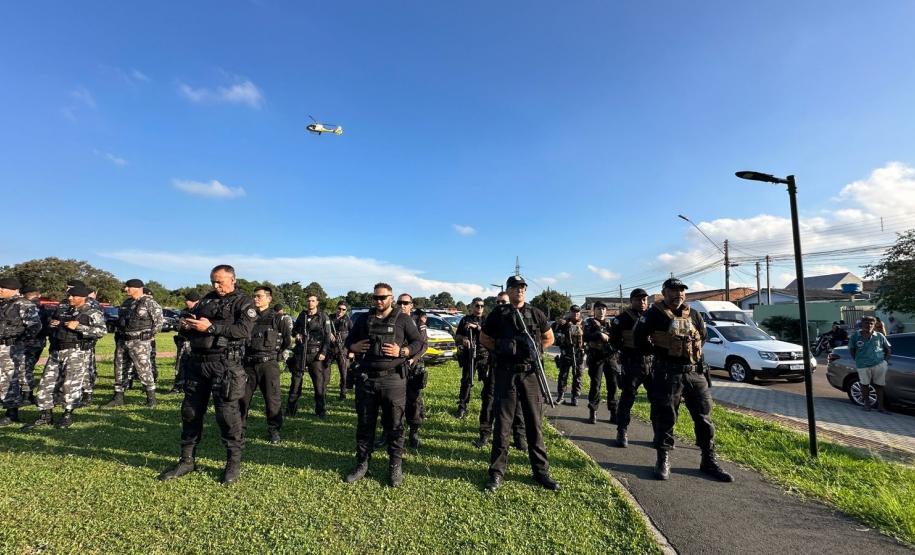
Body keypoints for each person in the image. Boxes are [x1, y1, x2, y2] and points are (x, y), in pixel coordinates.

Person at [158, 265, 256, 485]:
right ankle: (187, 460)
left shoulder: (243, 301)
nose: (216, 286)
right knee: (190, 412)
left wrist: (211, 328)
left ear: (233, 279)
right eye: (213, 281)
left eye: (220, 281)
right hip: (198, 363)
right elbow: (194, 326)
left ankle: (233, 463)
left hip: (225, 364)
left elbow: (243, 331)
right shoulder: (206, 300)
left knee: (227, 415)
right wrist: (186, 325)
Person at [634, 277, 732, 482]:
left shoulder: (694, 314)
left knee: (704, 418)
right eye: (673, 290)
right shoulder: (653, 314)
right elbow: (638, 339)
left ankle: (708, 460)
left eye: (681, 290)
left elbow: (702, 337)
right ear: (664, 292)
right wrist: (658, 353)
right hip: (667, 373)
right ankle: (663, 459)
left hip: (694, 374)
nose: (678, 293)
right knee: (666, 417)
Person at [480, 275, 558, 492]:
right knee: (503, 426)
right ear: (509, 290)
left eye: (523, 287)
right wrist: (503, 348)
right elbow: (484, 338)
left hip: (530, 375)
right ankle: (496, 474)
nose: (520, 291)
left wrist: (535, 351)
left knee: (534, 424)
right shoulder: (499, 313)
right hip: (506, 373)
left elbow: (549, 337)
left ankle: (541, 472)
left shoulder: (536, 313)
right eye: (515, 287)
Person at [343, 283, 423, 487]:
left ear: (391, 297)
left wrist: (403, 352)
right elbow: (348, 342)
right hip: (367, 379)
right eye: (376, 298)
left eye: (383, 297)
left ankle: (395, 467)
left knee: (395, 425)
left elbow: (418, 343)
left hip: (393, 380)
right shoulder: (363, 319)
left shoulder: (403, 319)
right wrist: (354, 346)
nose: (379, 301)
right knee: (365, 424)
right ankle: (362, 464)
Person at [24, 285, 105, 429]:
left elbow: (101, 331)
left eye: (73, 296)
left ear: (82, 297)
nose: (69, 298)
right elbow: (54, 325)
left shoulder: (93, 312)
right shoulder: (65, 311)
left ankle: (67, 415)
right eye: (69, 296)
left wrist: (79, 327)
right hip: (57, 351)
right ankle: (45, 415)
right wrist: (54, 325)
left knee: (70, 384)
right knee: (46, 382)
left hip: (76, 352)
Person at [473, 291, 527, 450]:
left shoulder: (520, 319)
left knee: (518, 404)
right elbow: (484, 339)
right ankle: (484, 434)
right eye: (497, 303)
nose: (500, 306)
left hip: (515, 368)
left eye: (503, 302)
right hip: (495, 365)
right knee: (489, 400)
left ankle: (519, 437)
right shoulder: (494, 319)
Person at [241, 286, 292, 443]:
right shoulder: (248, 318)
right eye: (254, 296)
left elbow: (287, 341)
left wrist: (275, 356)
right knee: (242, 398)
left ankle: (274, 430)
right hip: (248, 364)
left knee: (272, 399)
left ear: (269, 299)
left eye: (259, 296)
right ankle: (239, 429)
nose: (255, 299)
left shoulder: (278, 319)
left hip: (268, 364)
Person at [103, 279, 163, 408]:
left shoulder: (149, 303)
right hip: (123, 340)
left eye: (128, 287)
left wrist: (148, 336)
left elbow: (158, 323)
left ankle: (151, 398)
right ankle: (118, 397)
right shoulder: (127, 303)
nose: (126, 289)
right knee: (119, 368)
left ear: (138, 288)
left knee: (143, 368)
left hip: (140, 342)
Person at [610, 288, 653, 448]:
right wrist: (627, 350)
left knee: (657, 399)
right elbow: (614, 341)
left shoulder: (652, 316)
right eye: (638, 299)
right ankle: (622, 431)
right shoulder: (622, 319)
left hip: (652, 363)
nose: (642, 302)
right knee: (627, 398)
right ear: (631, 301)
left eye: (644, 299)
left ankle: (659, 433)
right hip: (632, 363)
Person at [0, 278, 42, 426]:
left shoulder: (24, 304)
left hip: (12, 347)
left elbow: (35, 326)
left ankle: (11, 413)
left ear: (12, 289)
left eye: (2, 288)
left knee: (9, 379)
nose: (0, 290)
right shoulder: (4, 304)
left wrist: (20, 341)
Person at [288, 295, 333, 418]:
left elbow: (327, 336)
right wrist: (297, 334)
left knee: (318, 384)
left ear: (317, 302)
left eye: (313, 300)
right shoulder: (302, 315)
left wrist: (323, 352)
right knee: (295, 382)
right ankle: (290, 409)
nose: (310, 303)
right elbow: (294, 330)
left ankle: (320, 411)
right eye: (308, 300)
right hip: (301, 353)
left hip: (316, 354)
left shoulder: (323, 316)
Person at [398, 294, 428, 448]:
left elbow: (423, 345)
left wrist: (412, 359)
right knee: (392, 401)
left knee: (414, 400)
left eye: (405, 303)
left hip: (413, 366)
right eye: (399, 302)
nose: (402, 305)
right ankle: (389, 432)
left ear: (411, 305)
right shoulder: (393, 319)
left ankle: (414, 432)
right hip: (396, 366)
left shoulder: (417, 321)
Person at [848, 315, 893, 413]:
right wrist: (857, 360)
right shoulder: (855, 336)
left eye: (871, 323)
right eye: (866, 323)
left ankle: (881, 407)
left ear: (874, 324)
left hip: (879, 364)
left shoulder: (879, 336)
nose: (869, 325)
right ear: (862, 324)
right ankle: (867, 405)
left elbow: (888, 349)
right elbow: (851, 349)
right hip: (863, 365)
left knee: (879, 386)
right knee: (865, 385)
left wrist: (885, 361)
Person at [583, 301, 618, 424]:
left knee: (613, 385)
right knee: (595, 385)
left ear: (606, 311)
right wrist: (599, 334)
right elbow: (585, 336)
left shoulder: (612, 322)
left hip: (610, 357)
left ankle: (614, 412)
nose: (601, 311)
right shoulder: (589, 322)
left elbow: (618, 337)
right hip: (596, 357)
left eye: (603, 309)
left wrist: (609, 337)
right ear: (594, 311)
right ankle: (593, 412)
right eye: (598, 308)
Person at [456, 298, 489, 418]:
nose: (479, 308)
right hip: (469, 355)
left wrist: (477, 327)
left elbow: (489, 334)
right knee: (466, 381)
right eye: (477, 306)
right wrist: (463, 339)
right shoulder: (465, 319)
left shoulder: (486, 320)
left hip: (483, 355)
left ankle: (487, 408)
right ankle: (462, 407)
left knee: (487, 382)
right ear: (472, 306)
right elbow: (457, 335)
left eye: (482, 306)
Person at [554, 305, 585, 405]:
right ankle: (561, 396)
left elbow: (588, 337)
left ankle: (575, 397)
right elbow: (555, 335)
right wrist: (559, 323)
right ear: (570, 312)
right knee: (563, 376)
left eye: (577, 312)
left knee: (578, 377)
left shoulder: (584, 324)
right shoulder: (563, 323)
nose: (575, 314)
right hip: (566, 353)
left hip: (579, 354)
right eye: (573, 312)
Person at [170, 291, 201, 393]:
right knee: (180, 365)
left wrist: (191, 326)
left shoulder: (201, 311)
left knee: (194, 365)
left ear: (194, 301)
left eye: (187, 300)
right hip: (183, 341)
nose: (185, 302)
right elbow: (177, 325)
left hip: (194, 342)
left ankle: (192, 385)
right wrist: (181, 325)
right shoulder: (184, 312)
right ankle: (178, 385)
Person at [329, 301, 352, 400]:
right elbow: (322, 329)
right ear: (336, 308)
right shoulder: (329, 318)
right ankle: (322, 393)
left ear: (346, 310)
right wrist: (329, 334)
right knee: (325, 373)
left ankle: (343, 393)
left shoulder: (348, 320)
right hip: (329, 349)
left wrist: (351, 351)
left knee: (344, 373)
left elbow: (353, 336)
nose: (341, 311)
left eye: (343, 309)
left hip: (343, 349)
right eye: (339, 308)